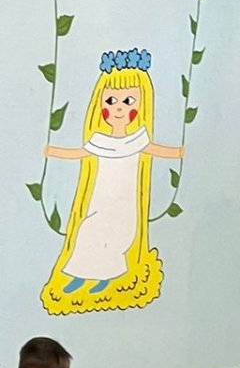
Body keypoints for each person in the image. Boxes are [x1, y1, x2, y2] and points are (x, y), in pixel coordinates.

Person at [39, 49, 178, 317]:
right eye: (112, 100)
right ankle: (79, 274)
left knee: (116, 235)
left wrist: (179, 152)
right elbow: (79, 153)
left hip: (124, 201)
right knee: (88, 231)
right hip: (100, 199)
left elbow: (156, 149)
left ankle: (105, 278)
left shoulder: (137, 138)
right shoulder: (100, 140)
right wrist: (53, 152)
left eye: (128, 101)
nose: (119, 108)